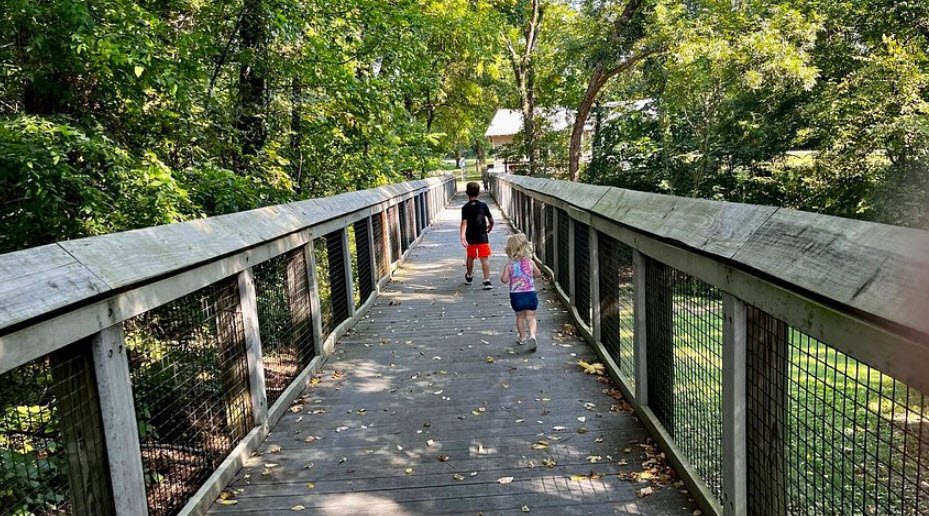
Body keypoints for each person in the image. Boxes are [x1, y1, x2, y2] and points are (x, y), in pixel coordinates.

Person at [500, 233, 542, 351]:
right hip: (530, 293)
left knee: (520, 317)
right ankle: (532, 335)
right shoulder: (530, 262)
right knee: (531, 317)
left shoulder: (509, 265)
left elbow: (504, 280)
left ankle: (522, 337)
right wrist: (530, 276)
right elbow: (538, 274)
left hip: (516, 296)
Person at [460, 182, 494, 290]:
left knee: (470, 257)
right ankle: (487, 280)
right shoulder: (483, 205)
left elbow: (464, 223)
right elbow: (491, 220)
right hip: (482, 235)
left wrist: (462, 236)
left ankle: (469, 276)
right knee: (484, 258)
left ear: (467, 193)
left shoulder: (465, 207)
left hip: (470, 236)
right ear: (479, 193)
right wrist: (490, 227)